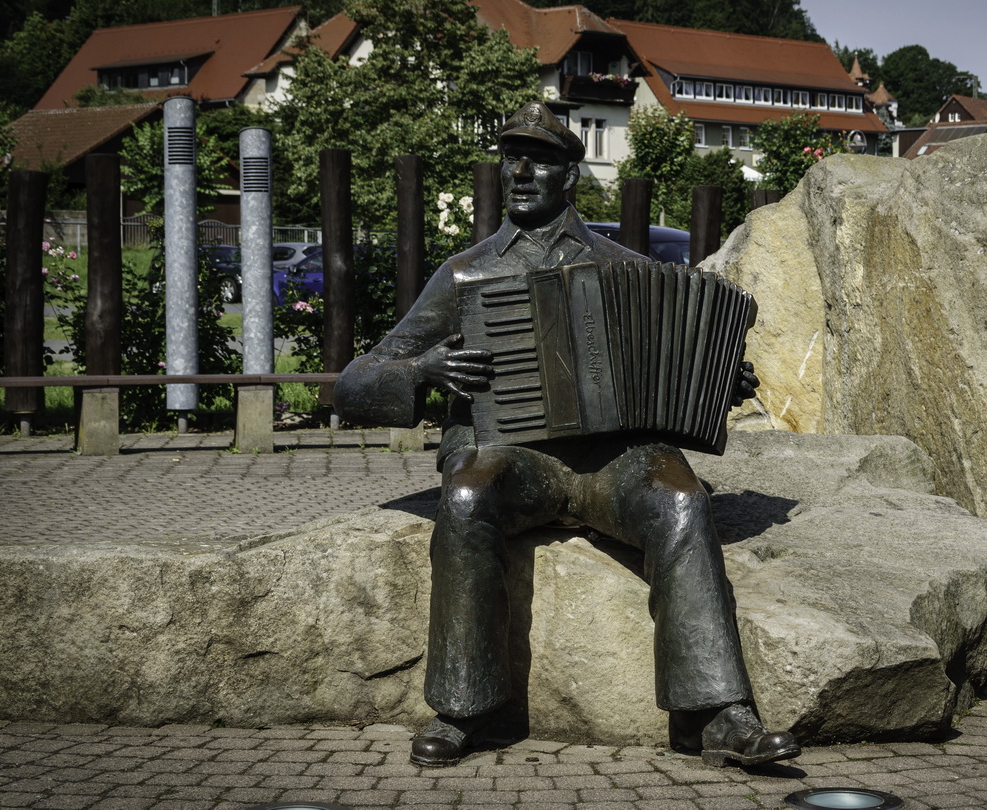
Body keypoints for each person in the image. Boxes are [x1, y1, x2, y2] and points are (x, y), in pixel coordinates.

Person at [333, 102, 798, 769]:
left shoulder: (625, 268)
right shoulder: (466, 274)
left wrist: (720, 378)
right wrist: (421, 368)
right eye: (510, 157)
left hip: (612, 463)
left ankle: (716, 714)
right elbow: (353, 384)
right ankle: (464, 709)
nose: (520, 171)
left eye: (541, 159)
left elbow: (675, 365)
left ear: (570, 176)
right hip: (510, 459)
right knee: (465, 500)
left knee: (681, 500)